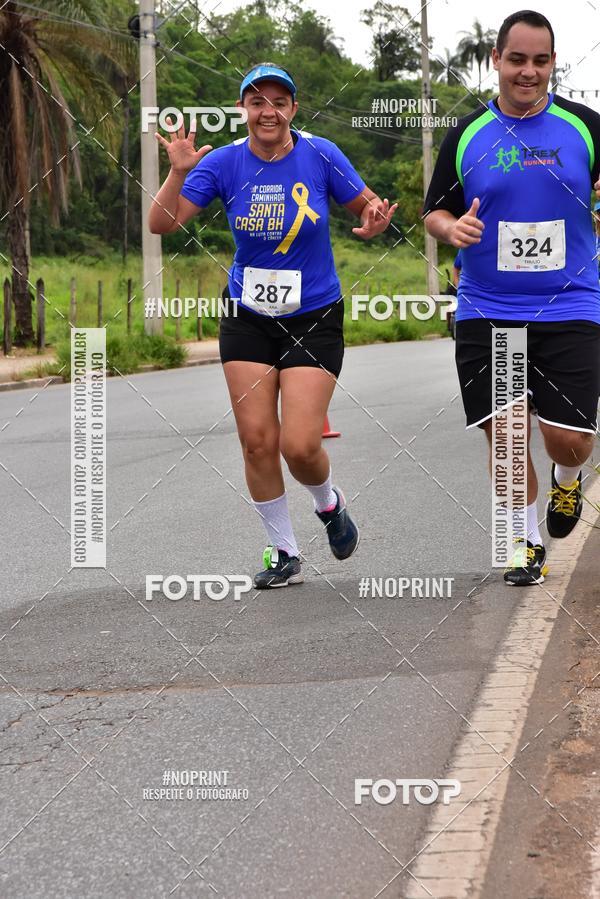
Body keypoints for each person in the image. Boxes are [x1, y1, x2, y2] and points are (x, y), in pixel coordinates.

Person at [149, 62, 397, 588]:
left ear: (292, 109)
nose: (268, 111)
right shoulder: (221, 163)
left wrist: (375, 221)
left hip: (314, 315)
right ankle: (282, 550)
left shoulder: (321, 153)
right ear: (244, 110)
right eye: (257, 101)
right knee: (258, 440)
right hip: (248, 316)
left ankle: (328, 505)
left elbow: (368, 206)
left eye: (278, 101)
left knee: (300, 445)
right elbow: (161, 224)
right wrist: (176, 172)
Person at [424, 10, 600, 586]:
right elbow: (435, 211)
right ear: (496, 61)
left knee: (570, 442)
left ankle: (567, 481)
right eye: (517, 59)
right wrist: (451, 231)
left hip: (571, 304)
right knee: (504, 433)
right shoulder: (468, 135)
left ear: (553, 64)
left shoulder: (585, 128)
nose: (529, 71)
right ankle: (522, 544)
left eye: (541, 61)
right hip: (489, 307)